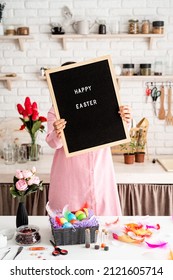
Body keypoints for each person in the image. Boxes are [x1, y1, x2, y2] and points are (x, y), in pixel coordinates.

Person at [46, 63, 132, 216]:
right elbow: (53, 143)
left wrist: (125, 119)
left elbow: (119, 132)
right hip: (70, 178)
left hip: (100, 172)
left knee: (104, 225)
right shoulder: (55, 110)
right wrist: (58, 133)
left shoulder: (103, 103)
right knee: (68, 226)